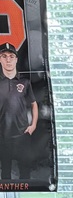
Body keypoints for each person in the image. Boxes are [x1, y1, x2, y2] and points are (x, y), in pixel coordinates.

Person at [0, 41, 38, 181]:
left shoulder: (25, 82)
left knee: (25, 170)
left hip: (22, 134)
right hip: (2, 135)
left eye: (11, 56)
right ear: (0, 59)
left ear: (16, 59)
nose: (8, 60)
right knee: (5, 171)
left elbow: (34, 104)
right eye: (4, 56)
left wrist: (33, 125)